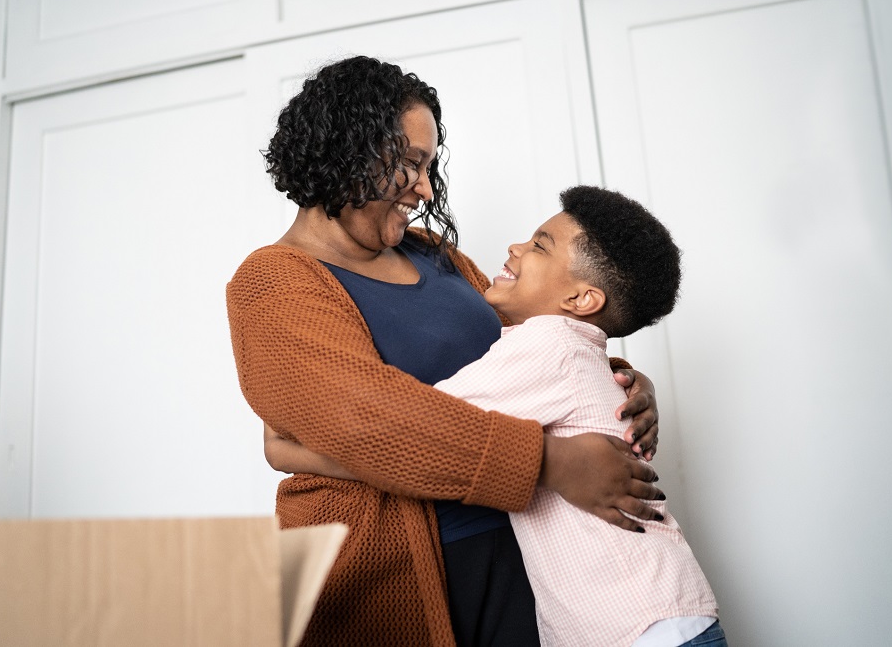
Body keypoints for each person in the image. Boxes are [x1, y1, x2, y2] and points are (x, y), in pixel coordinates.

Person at [227, 55, 664, 647]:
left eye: (429, 167)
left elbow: (529, 345)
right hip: (393, 575)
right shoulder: (274, 281)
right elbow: (368, 418)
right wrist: (551, 462)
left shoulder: (434, 254)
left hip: (523, 555)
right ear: (348, 150)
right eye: (410, 164)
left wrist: (615, 384)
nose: (426, 188)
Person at [267, 185, 727, 647]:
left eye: (539, 246)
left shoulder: (543, 345)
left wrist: (285, 441)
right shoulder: (562, 349)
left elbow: (418, 425)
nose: (514, 247)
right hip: (659, 615)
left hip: (639, 627)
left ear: (582, 300)